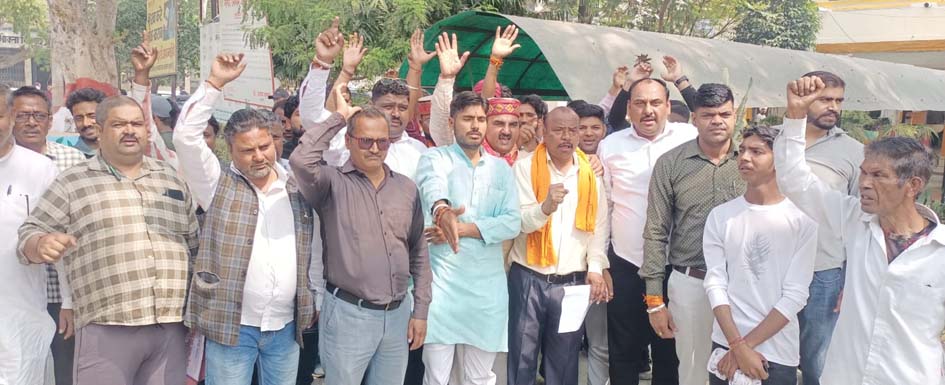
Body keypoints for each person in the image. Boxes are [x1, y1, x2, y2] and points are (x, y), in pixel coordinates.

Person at [18, 95, 198, 385]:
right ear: (100, 130)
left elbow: (194, 244)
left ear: (146, 130)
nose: (130, 130)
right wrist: (40, 244)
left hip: (169, 326)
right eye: (119, 124)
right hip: (107, 325)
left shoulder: (171, 179)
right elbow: (31, 230)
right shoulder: (73, 182)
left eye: (136, 123)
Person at [776, 75, 945, 385]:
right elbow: (794, 179)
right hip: (845, 376)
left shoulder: (940, 252)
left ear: (913, 185)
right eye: (864, 173)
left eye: (878, 175)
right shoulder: (854, 220)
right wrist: (796, 115)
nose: (865, 183)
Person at [174, 53, 316, 385]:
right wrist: (214, 84)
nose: (258, 156)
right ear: (230, 151)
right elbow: (184, 138)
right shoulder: (216, 184)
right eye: (247, 150)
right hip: (232, 326)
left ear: (275, 140)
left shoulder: (296, 186)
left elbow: (313, 248)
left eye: (264, 146)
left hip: (285, 327)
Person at [290, 75, 431, 384]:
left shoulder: (405, 188)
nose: (375, 148)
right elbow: (301, 160)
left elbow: (419, 253)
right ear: (349, 141)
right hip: (348, 314)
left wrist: (420, 310)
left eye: (382, 141)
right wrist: (340, 117)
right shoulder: (331, 183)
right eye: (366, 140)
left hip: (397, 316)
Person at [640, 83, 745, 385]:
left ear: (734, 115)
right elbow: (656, 232)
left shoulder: (752, 160)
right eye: (708, 114)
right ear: (694, 118)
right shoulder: (671, 164)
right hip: (691, 282)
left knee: (743, 369)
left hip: (745, 284)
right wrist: (655, 301)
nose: (717, 121)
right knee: (694, 371)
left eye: (724, 114)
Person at [596, 76, 698, 385]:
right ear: (628, 108)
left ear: (668, 106)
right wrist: (602, 262)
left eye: (655, 103)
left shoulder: (689, 138)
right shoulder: (610, 146)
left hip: (676, 265)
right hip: (627, 265)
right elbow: (605, 208)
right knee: (624, 349)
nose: (648, 110)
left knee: (670, 350)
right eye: (639, 103)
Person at [414, 90, 521, 385]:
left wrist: (460, 229)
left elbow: (512, 223)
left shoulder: (500, 168)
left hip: (486, 291)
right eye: (467, 119)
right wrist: (442, 210)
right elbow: (431, 186)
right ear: (451, 122)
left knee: (480, 377)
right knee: (437, 376)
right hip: (442, 287)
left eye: (480, 119)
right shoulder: (435, 158)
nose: (475, 126)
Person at [703, 125, 817, 385]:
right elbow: (715, 282)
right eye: (742, 150)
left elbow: (796, 294)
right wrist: (736, 344)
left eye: (757, 151)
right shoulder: (721, 216)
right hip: (725, 344)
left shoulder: (802, 221)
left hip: (776, 350)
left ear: (780, 160)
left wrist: (743, 348)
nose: (744, 157)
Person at [506, 106, 609, 385]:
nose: (567, 137)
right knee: (522, 358)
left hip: (573, 282)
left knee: (564, 361)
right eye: (558, 130)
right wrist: (545, 207)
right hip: (529, 277)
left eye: (572, 131)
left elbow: (599, 226)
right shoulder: (525, 167)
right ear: (543, 130)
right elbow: (520, 223)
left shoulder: (590, 172)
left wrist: (596, 267)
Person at [786, 71, 863, 385]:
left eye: (838, 101)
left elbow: (862, 220)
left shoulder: (854, 151)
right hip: (772, 266)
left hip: (825, 271)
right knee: (771, 358)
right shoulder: (774, 138)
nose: (834, 107)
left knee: (818, 363)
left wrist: (851, 279)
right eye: (825, 99)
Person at [10, 85, 85, 385]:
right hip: (14, 291)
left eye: (38, 115)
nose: (31, 122)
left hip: (61, 293)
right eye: (23, 115)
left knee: (66, 369)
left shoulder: (74, 161)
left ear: (49, 121)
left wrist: (70, 300)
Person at [302, 19, 427, 179]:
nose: (396, 113)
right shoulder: (349, 144)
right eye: (388, 107)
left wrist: (416, 68)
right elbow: (313, 117)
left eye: (402, 108)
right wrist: (324, 63)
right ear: (372, 107)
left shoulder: (419, 151)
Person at [0, 86, 60, 385]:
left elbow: (61, 237)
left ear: (10, 116)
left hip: (22, 315)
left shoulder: (41, 169)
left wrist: (71, 303)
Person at [428, 29, 523, 166]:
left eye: (513, 125)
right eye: (498, 123)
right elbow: (442, 121)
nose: (506, 131)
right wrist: (447, 79)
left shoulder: (527, 162)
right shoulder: (464, 151)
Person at [65, 87, 107, 157]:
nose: (86, 123)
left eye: (92, 116)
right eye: (79, 118)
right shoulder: (70, 158)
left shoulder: (121, 153)